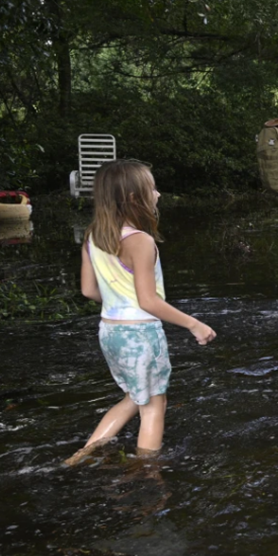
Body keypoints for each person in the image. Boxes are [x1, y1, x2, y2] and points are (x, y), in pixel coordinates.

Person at [65, 160, 216, 466]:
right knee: (154, 406)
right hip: (141, 336)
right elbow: (148, 301)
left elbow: (89, 291)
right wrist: (194, 324)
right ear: (135, 199)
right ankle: (147, 473)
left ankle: (80, 457)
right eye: (153, 189)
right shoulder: (140, 241)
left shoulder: (93, 237)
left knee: (134, 397)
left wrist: (119, 300)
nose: (158, 195)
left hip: (110, 332)